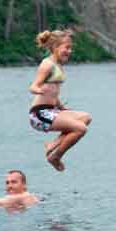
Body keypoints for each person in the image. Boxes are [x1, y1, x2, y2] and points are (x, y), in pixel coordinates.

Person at [28, 29, 92, 172]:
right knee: (80, 128)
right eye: (66, 48)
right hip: (39, 114)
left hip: (51, 111)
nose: (69, 51)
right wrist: (38, 90)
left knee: (85, 118)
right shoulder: (47, 64)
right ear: (55, 47)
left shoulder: (58, 65)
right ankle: (55, 156)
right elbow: (33, 86)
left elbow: (54, 91)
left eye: (71, 48)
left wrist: (61, 107)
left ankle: (53, 144)